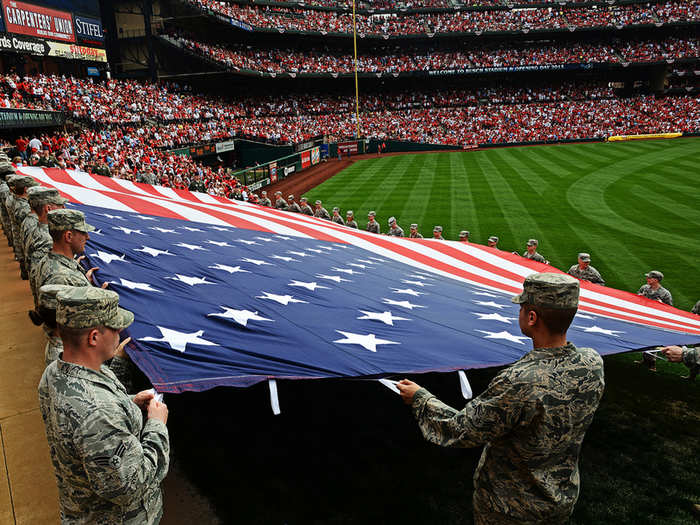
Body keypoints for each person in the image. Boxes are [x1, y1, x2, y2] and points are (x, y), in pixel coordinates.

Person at [397, 273, 605, 525]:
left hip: (510, 508)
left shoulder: (519, 380)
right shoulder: (592, 361)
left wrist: (420, 398)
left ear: (531, 317)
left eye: (522, 308)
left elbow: (461, 429)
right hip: (560, 497)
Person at [38, 286, 170, 523]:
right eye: (115, 327)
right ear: (94, 337)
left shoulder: (54, 372)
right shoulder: (99, 412)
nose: (121, 331)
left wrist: (130, 402)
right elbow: (131, 485)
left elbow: (82, 417)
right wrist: (157, 426)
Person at [32, 209, 104, 292]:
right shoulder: (61, 278)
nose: (88, 237)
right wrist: (99, 298)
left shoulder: (46, 260)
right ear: (69, 236)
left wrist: (83, 282)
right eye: (84, 233)